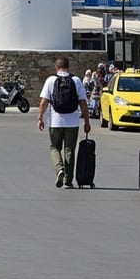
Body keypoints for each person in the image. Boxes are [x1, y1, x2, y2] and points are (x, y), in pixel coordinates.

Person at [37, 57, 91, 188]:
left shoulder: (51, 80)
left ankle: (59, 169)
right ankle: (68, 180)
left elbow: (44, 102)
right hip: (72, 122)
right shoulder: (76, 80)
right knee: (70, 150)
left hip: (55, 121)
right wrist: (87, 122)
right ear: (68, 67)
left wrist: (40, 117)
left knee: (55, 147)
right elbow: (83, 103)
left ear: (56, 67)